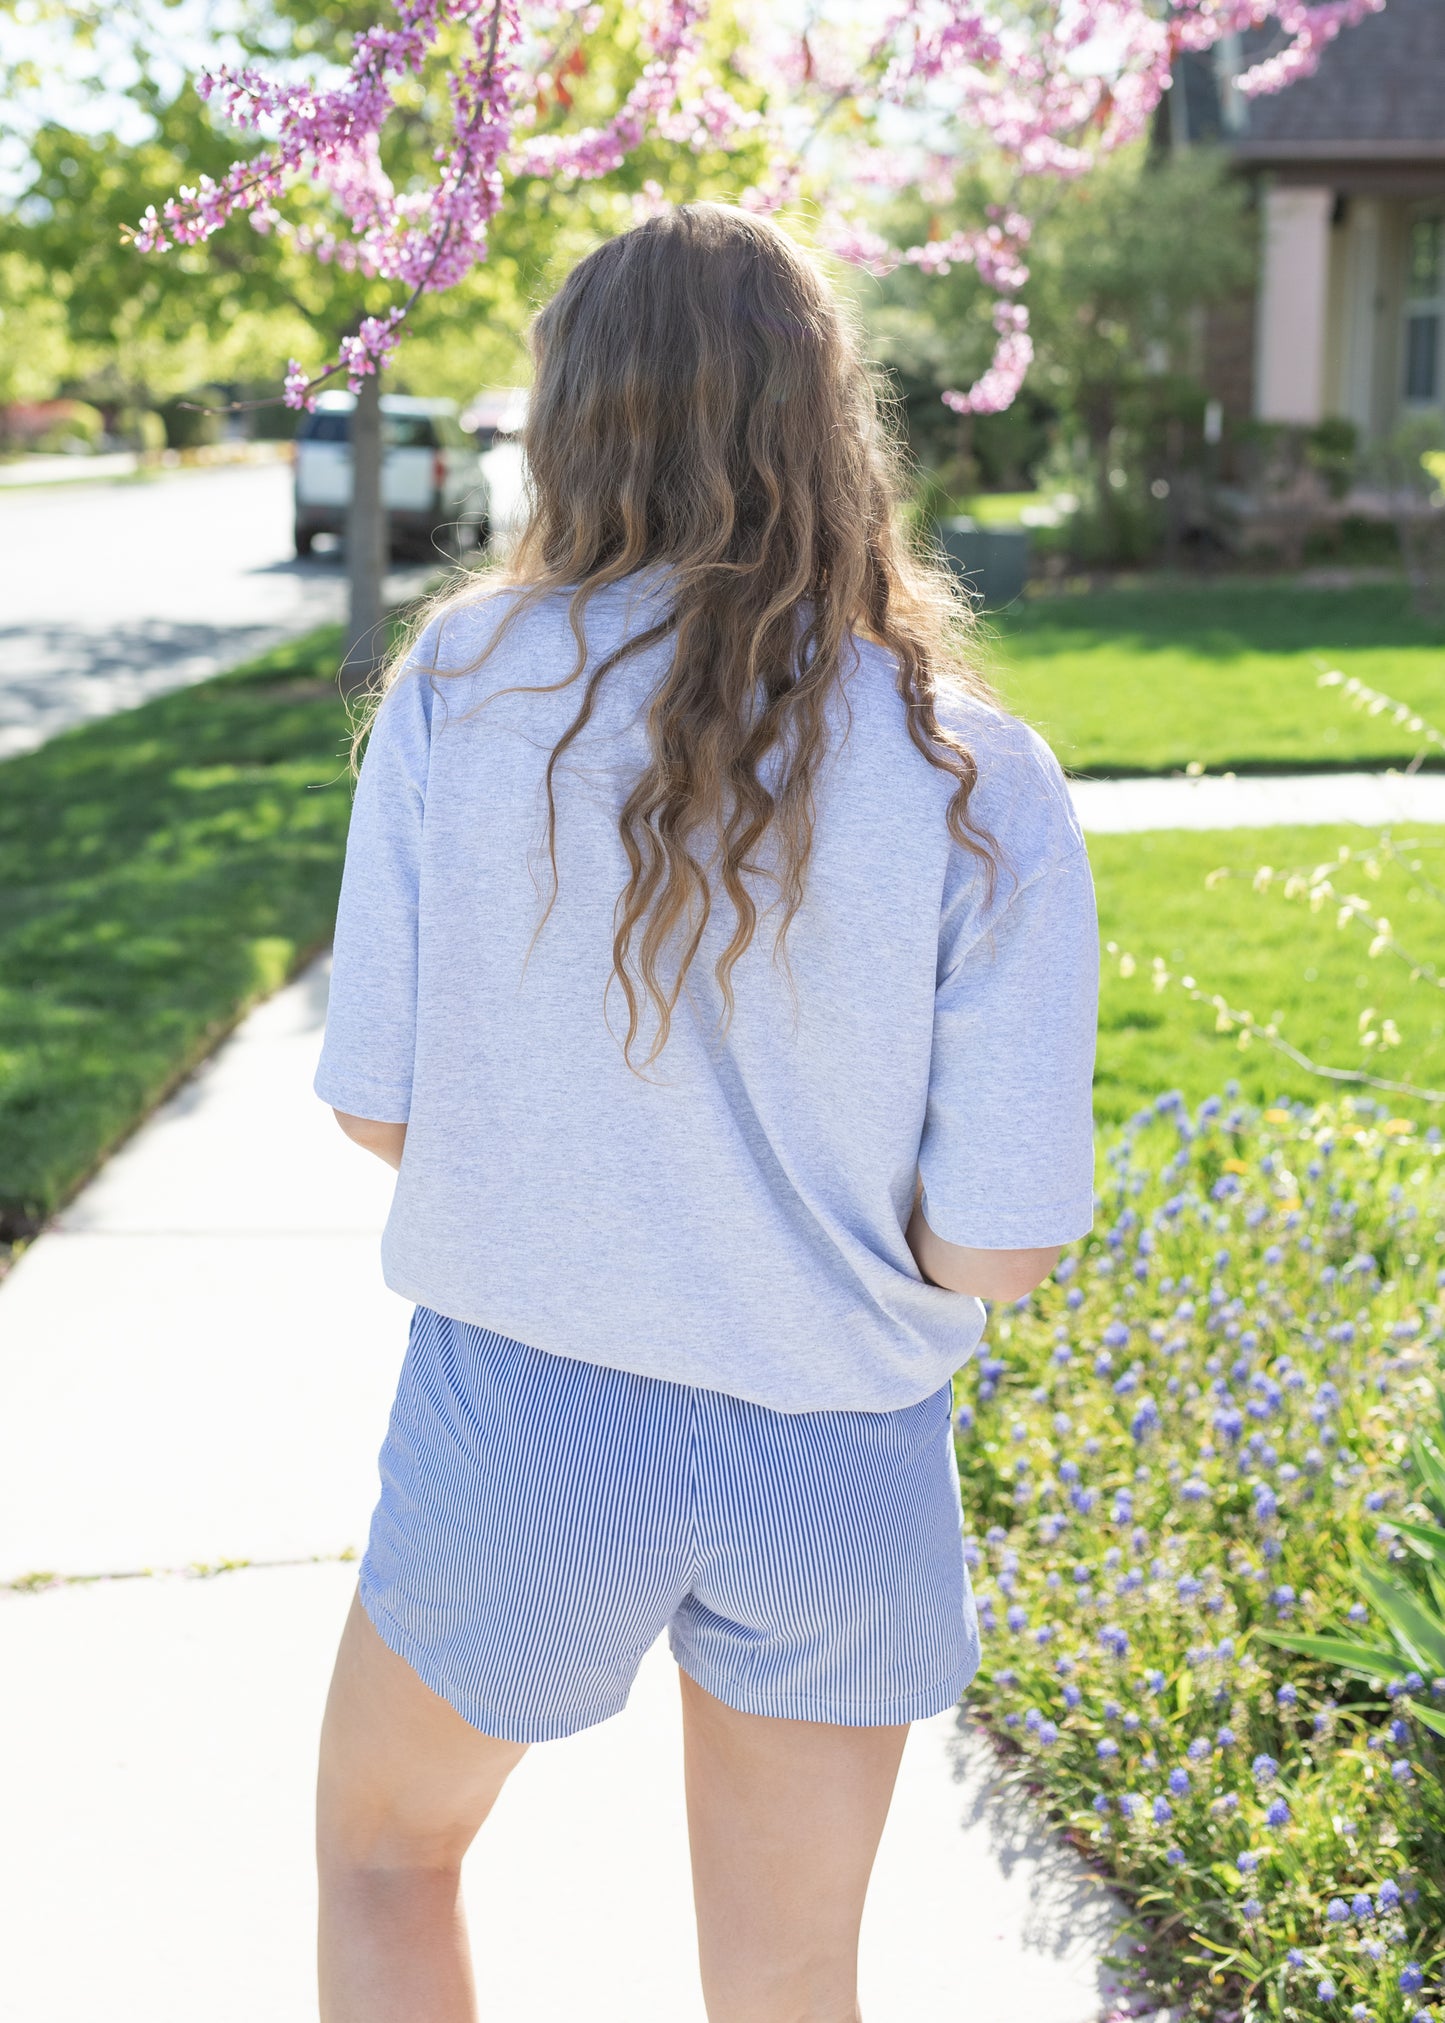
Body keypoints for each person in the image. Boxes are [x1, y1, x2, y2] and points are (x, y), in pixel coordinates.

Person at [313, 201, 1098, 2023]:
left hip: (526, 1419)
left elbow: (382, 1113)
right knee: (790, 1976)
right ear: (833, 428)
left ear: (572, 419)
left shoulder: (459, 688)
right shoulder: (980, 774)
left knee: (382, 1859)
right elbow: (998, 1242)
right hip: (839, 1447)